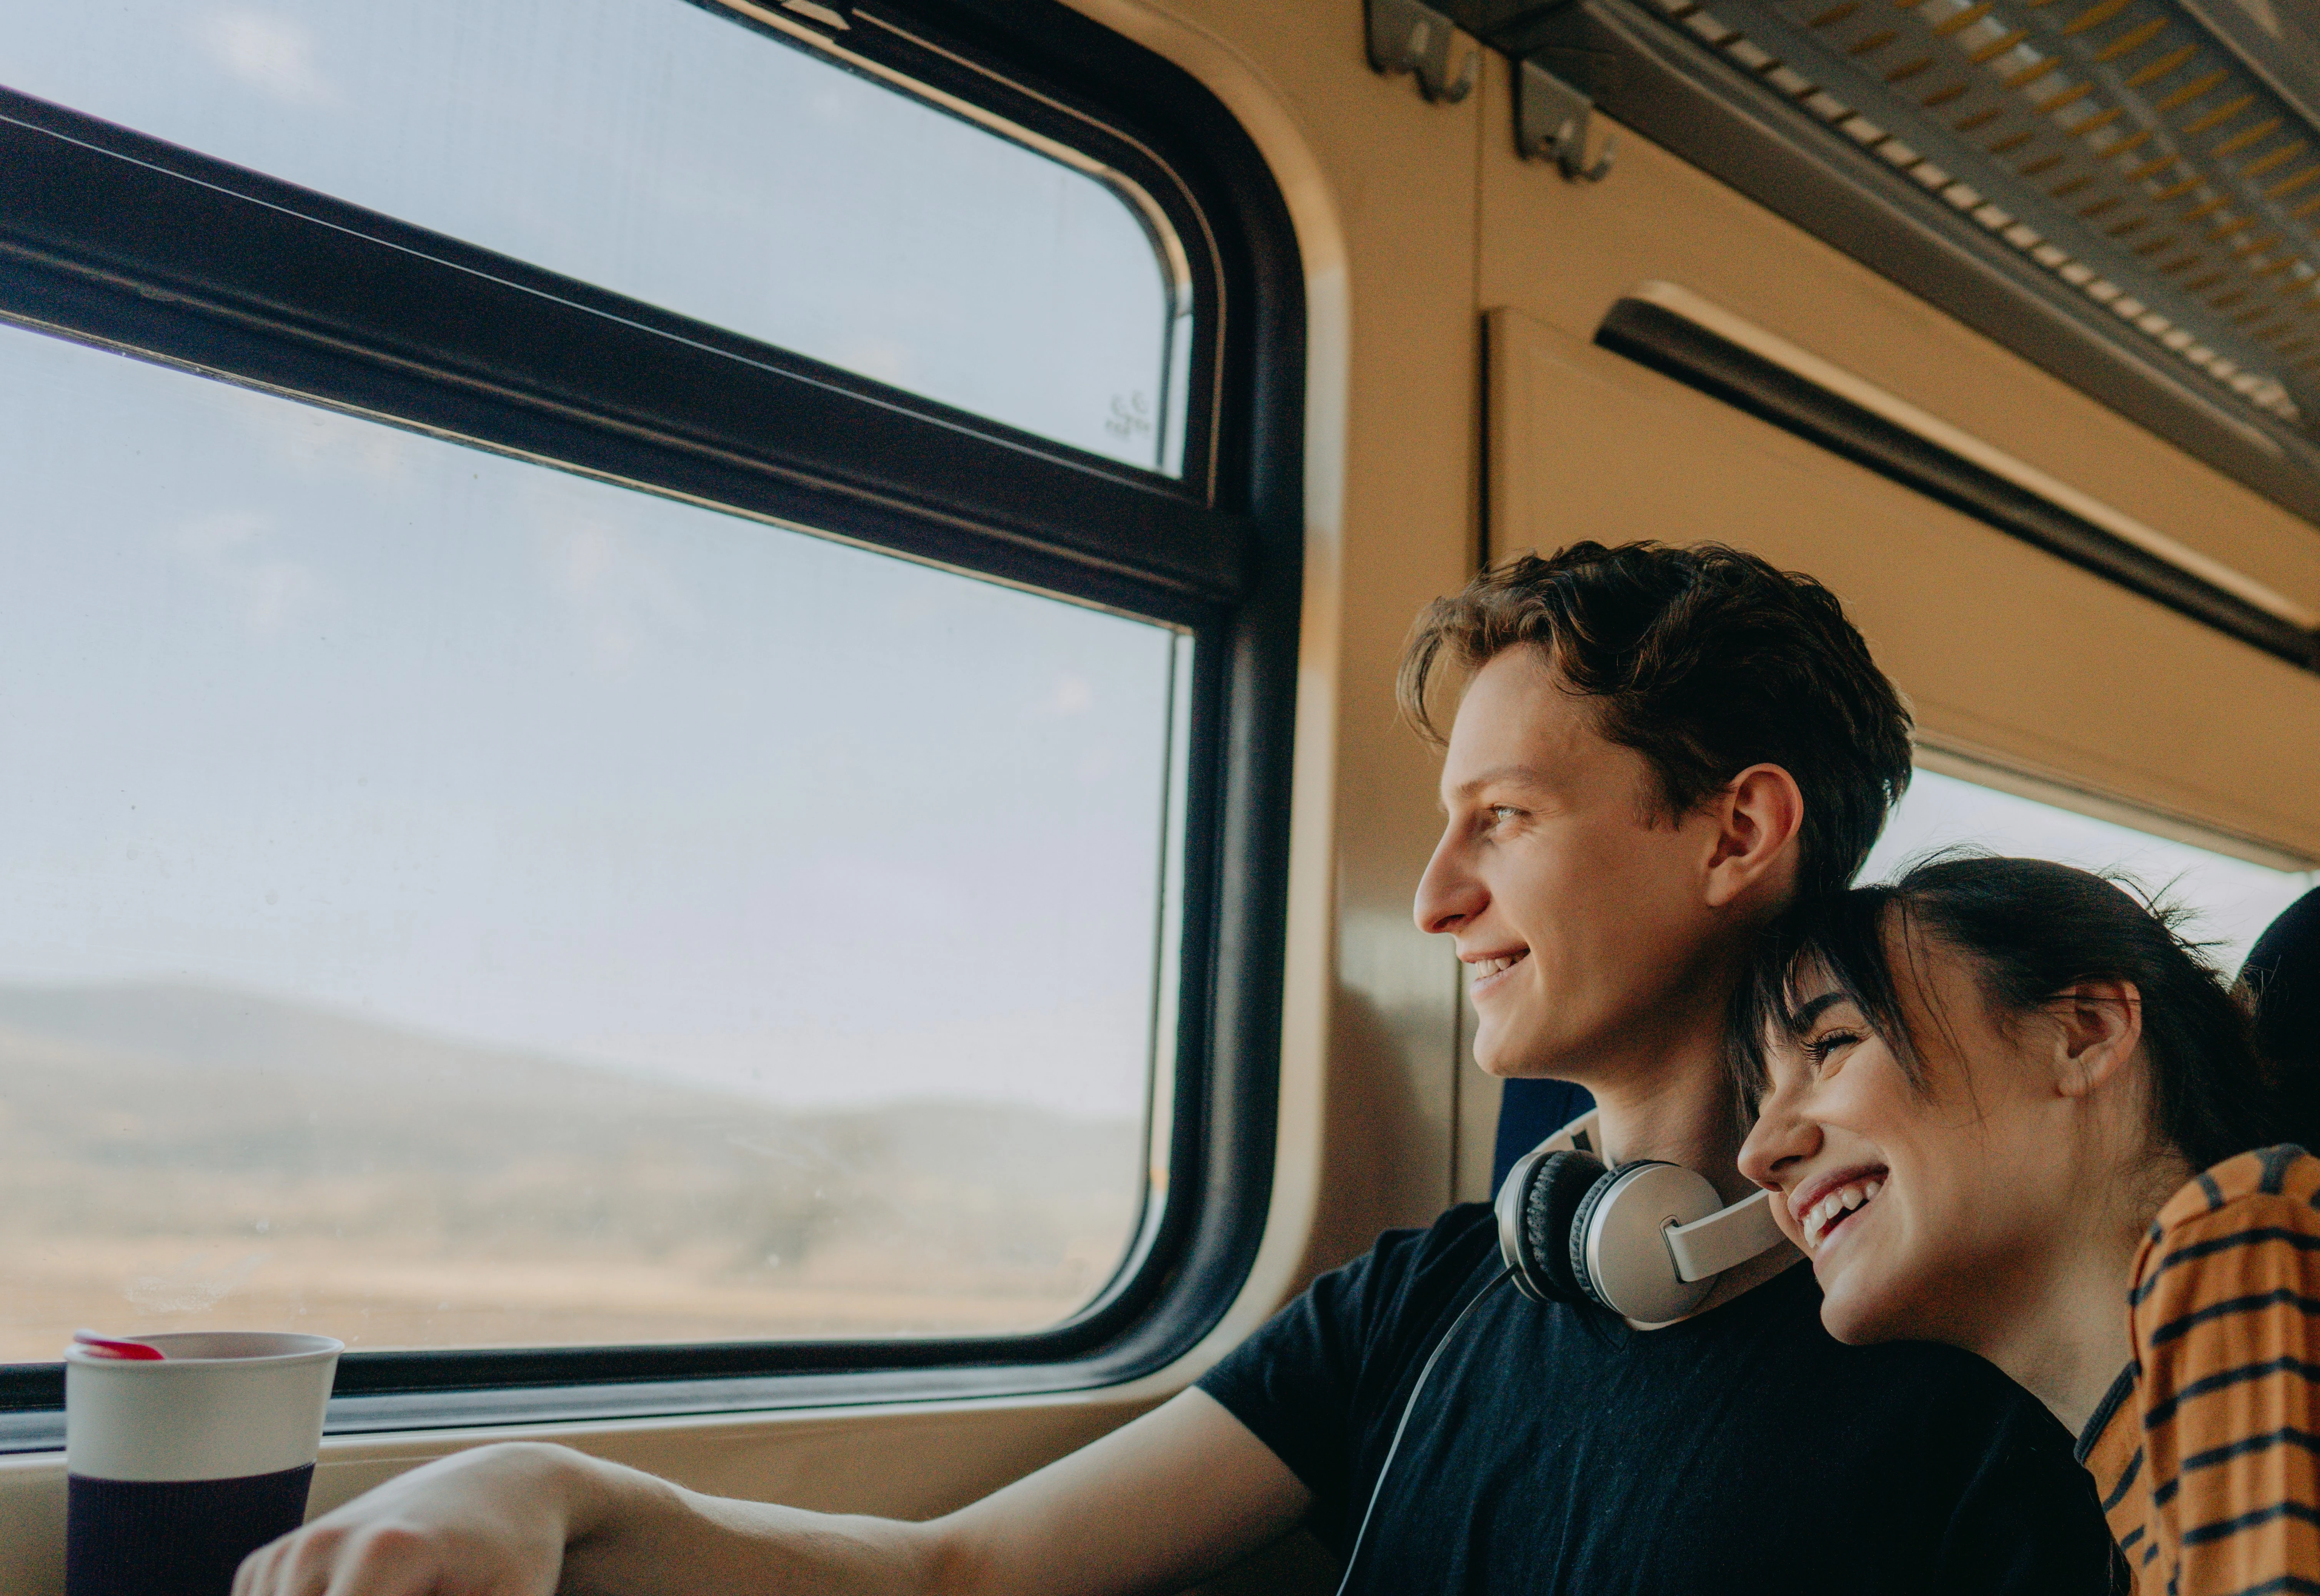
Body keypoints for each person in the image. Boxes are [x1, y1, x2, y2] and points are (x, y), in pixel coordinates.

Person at [235, 543, 2115, 1596]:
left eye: (1507, 817)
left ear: (1736, 832)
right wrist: (544, 1482)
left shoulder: (1978, 1344)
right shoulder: (1439, 1297)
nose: (1443, 893)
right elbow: (960, 1572)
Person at [1737, 854, 2320, 1596]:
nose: (1757, 1153)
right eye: (1757, 1102)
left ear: (2082, 1033)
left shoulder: (2241, 1239)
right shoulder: (2135, 1500)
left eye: (1832, 1046)